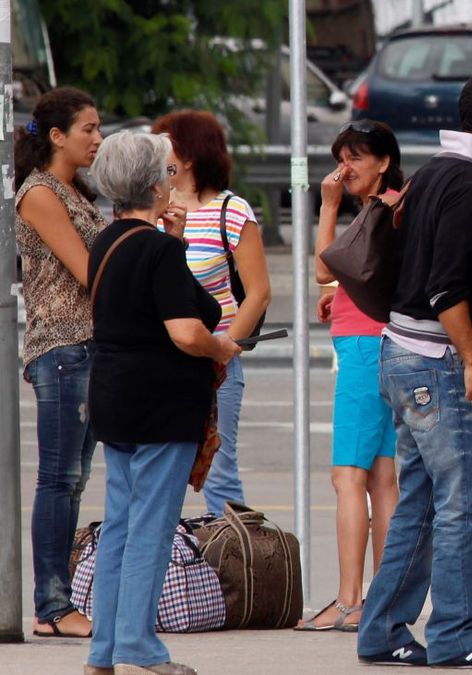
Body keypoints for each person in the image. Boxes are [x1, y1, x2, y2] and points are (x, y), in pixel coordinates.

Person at [356, 71, 472, 669]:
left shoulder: (433, 171)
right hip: (436, 360)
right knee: (462, 504)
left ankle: (382, 629)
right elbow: (447, 288)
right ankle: (456, 634)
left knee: (421, 502)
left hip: (400, 354)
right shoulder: (470, 185)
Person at [84, 131, 241, 675]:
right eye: (169, 172)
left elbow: (179, 300)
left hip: (115, 398)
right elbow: (190, 331)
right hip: (160, 402)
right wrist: (222, 347)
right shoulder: (158, 250)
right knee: (151, 526)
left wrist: (171, 237)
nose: (174, 179)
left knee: (121, 526)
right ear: (155, 183)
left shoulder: (109, 241)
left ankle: (105, 649)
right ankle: (138, 648)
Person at [296, 120, 403, 632]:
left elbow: (323, 267)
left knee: (348, 478)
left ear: (383, 162)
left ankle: (348, 601)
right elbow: (354, 278)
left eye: (357, 157)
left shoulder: (381, 209)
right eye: (342, 156)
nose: (346, 168)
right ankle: (380, 599)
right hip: (382, 341)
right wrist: (339, 295)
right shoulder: (390, 210)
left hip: (363, 348)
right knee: (383, 478)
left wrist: (328, 206)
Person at [15, 86, 104, 639]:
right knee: (59, 477)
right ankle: (51, 603)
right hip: (62, 348)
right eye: (88, 129)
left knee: (75, 479)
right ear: (56, 136)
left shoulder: (77, 190)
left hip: (91, 345)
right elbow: (89, 271)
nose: (98, 138)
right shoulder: (40, 193)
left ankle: (57, 602)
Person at [150, 110, 270, 516]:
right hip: (162, 358)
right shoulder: (150, 207)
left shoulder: (230, 210)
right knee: (161, 468)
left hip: (214, 359)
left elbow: (258, 292)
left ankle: (232, 566)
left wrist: (227, 346)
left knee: (218, 470)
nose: (159, 152)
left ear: (190, 155)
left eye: (167, 144)